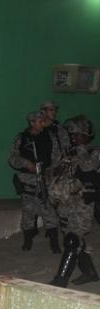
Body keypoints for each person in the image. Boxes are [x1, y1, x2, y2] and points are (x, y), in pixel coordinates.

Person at [49, 116, 100, 287]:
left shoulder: (94, 152)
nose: (74, 138)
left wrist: (78, 152)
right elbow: (56, 174)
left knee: (73, 240)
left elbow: (87, 168)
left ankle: (60, 280)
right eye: (72, 135)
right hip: (66, 203)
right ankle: (90, 273)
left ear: (86, 135)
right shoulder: (68, 154)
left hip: (83, 204)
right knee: (74, 241)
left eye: (77, 135)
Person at [9, 111, 61, 253]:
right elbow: (13, 158)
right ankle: (27, 241)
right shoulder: (21, 138)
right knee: (28, 212)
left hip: (45, 179)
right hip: (28, 180)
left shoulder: (50, 137)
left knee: (49, 211)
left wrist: (51, 172)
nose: (43, 123)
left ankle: (54, 243)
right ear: (32, 123)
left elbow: (56, 157)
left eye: (43, 120)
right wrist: (26, 164)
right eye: (40, 121)